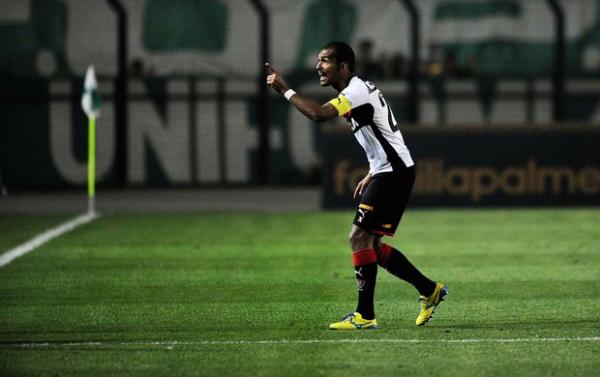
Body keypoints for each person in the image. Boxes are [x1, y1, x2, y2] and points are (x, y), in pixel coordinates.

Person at [266, 41, 447, 330]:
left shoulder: (355, 91)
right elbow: (381, 136)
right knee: (371, 243)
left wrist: (285, 90)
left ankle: (365, 316)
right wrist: (373, 170)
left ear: (344, 67)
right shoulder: (358, 89)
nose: (318, 67)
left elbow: (318, 114)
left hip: (394, 172)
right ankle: (430, 290)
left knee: (358, 238)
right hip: (389, 170)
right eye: (318, 60)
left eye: (325, 61)